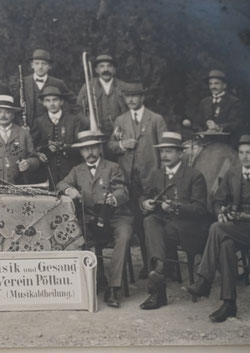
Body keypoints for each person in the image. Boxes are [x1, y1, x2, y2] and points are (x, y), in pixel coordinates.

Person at [57, 131, 133, 308]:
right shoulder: (77, 170)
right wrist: (69, 190)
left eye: (93, 148)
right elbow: (61, 184)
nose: (89, 152)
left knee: (124, 236)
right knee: (76, 234)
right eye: (85, 149)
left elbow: (123, 190)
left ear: (99, 149)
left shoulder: (112, 167)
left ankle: (114, 288)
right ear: (81, 152)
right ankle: (94, 280)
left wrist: (113, 198)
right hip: (92, 217)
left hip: (116, 216)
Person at [139, 132, 208, 310]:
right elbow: (146, 195)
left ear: (180, 153)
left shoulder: (194, 175)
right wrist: (145, 202)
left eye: (169, 152)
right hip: (163, 223)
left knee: (158, 232)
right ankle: (161, 267)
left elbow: (200, 210)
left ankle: (157, 290)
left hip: (187, 227)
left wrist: (177, 207)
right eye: (162, 152)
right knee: (149, 221)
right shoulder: (157, 174)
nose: (164, 156)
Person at [185, 134, 250, 322]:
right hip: (236, 227)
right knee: (225, 244)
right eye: (242, 152)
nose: (245, 156)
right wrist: (220, 212)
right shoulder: (234, 172)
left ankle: (204, 281)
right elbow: (217, 200)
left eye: (249, 153)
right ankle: (229, 304)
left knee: (216, 229)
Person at [108, 81, 167, 277]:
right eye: (128, 96)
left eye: (135, 96)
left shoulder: (156, 119)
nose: (131, 99)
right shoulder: (120, 120)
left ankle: (159, 265)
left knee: (152, 222)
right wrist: (122, 145)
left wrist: (162, 176)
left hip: (151, 180)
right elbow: (110, 146)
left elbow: (165, 149)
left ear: (142, 98)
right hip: (128, 181)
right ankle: (145, 265)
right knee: (136, 223)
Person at [34, 86, 88, 186]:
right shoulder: (39, 121)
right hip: (48, 170)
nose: (52, 103)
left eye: (55, 100)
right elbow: (33, 144)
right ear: (43, 103)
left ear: (61, 102)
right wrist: (42, 150)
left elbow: (80, 145)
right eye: (48, 100)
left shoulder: (73, 120)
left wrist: (65, 147)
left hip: (70, 168)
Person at [20, 49, 75, 138]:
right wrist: (21, 125)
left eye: (44, 64)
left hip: (51, 130)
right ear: (32, 65)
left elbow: (73, 102)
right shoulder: (23, 82)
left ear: (49, 66)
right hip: (29, 129)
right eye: (37, 63)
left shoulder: (58, 83)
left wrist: (66, 120)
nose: (40, 67)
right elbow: (16, 107)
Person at [76, 54, 128, 138]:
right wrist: (90, 123)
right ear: (96, 70)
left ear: (114, 70)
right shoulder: (88, 86)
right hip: (96, 133)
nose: (106, 69)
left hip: (121, 133)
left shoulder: (123, 86)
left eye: (109, 66)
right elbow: (78, 109)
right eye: (102, 66)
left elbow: (131, 109)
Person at [184, 70, 242, 139]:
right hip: (206, 142)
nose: (213, 87)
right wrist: (201, 133)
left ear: (224, 85)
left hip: (226, 143)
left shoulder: (234, 102)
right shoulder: (204, 102)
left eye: (216, 83)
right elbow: (197, 122)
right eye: (210, 84)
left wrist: (217, 127)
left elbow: (235, 124)